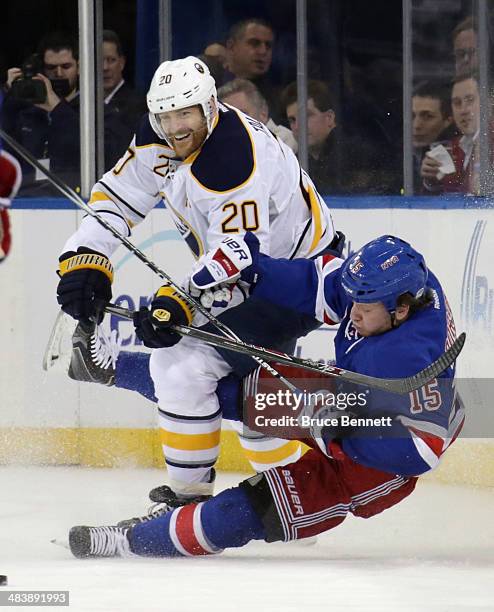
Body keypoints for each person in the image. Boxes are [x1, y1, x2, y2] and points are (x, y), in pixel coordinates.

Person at [55, 56, 341, 520]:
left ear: (210, 107)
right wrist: (86, 257)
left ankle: (193, 503)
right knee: (250, 397)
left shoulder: (232, 159)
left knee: (181, 366)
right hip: (264, 271)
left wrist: (181, 300)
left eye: (184, 114)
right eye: (164, 116)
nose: (174, 127)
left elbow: (242, 259)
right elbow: (120, 196)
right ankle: (294, 495)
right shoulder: (161, 135)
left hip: (298, 279)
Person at [67, 233, 464, 558]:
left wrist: (335, 431)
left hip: (384, 454)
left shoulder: (405, 357)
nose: (353, 312)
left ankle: (130, 541)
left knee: (252, 510)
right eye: (355, 300)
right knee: (227, 391)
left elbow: (419, 451)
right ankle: (109, 366)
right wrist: (254, 267)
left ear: (401, 309)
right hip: (350, 398)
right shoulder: (395, 290)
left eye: (365, 307)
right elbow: (319, 284)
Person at [3, 31, 80, 195]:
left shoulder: (92, 112)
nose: (59, 73)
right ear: (42, 70)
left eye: (66, 66)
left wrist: (58, 108)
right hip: (25, 199)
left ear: (79, 67)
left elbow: (86, 148)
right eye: (51, 68)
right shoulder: (26, 112)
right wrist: (9, 96)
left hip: (73, 200)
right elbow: (6, 150)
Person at [282, 79, 378, 195]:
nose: (297, 126)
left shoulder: (357, 155)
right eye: (292, 120)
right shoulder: (294, 163)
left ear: (330, 118)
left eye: (305, 116)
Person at [420, 74, 480, 195]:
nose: (463, 110)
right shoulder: (453, 146)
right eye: (457, 103)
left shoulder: (488, 141)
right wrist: (432, 182)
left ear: (489, 101)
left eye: (470, 100)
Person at [102, 30, 147, 169]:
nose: (105, 68)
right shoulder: (81, 103)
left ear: (121, 63)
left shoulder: (138, 104)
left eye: (111, 60)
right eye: (99, 60)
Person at [224, 18, 281, 122]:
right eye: (254, 43)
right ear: (231, 46)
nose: (263, 51)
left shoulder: (279, 100)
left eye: (268, 46)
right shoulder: (209, 87)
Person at [218, 78, 297, 152]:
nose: (235, 123)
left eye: (242, 114)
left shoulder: (284, 141)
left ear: (263, 113)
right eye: (229, 117)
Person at [412, 81, 454, 192]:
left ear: (448, 120)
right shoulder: (394, 154)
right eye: (412, 116)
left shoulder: (457, 155)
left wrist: (433, 183)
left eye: (427, 116)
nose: (416, 125)